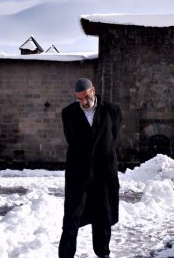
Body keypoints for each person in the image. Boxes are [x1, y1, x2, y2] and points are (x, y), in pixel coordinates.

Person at [59, 78, 122, 258]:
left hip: (103, 171)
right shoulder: (68, 113)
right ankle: (65, 255)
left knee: (103, 214)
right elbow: (71, 139)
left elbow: (113, 137)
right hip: (78, 172)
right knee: (71, 216)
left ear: (93, 90)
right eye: (79, 99)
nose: (83, 102)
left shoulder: (113, 111)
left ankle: (103, 253)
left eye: (86, 97)